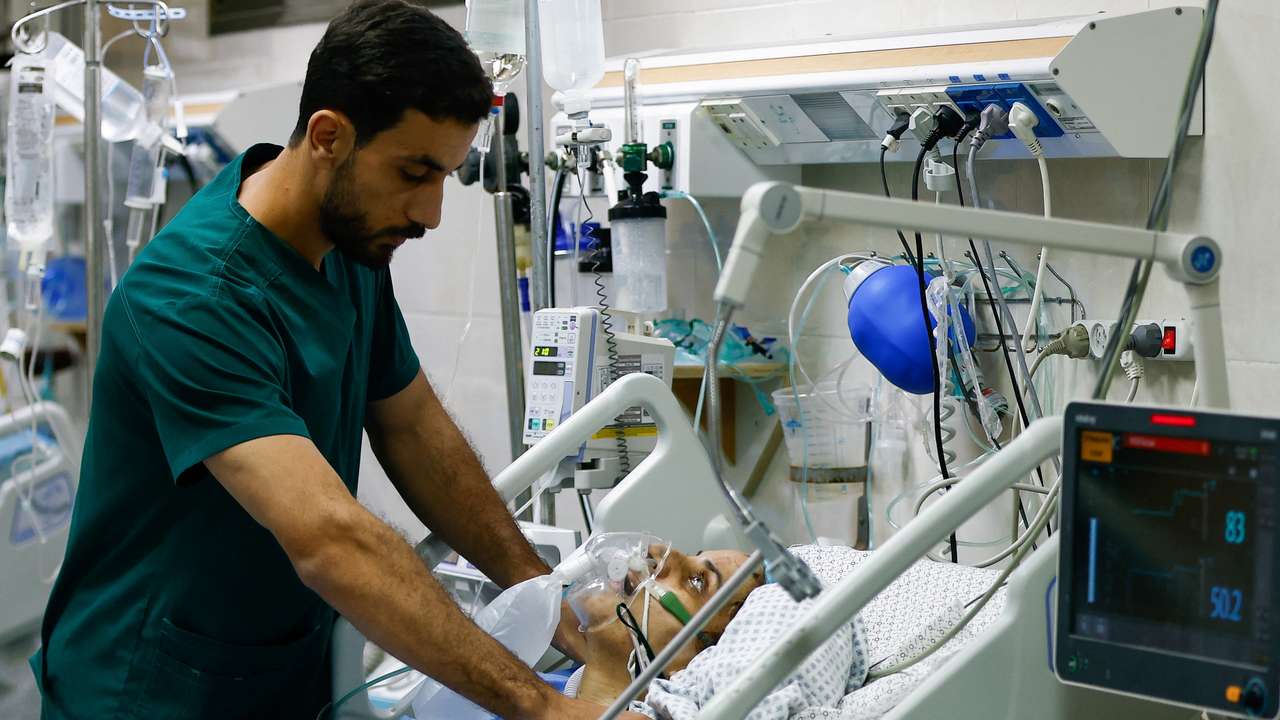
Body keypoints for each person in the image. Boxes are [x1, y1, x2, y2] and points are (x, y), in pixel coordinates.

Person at [30, 2, 643, 718]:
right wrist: (542, 707)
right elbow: (329, 538)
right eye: (414, 172)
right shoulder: (192, 297)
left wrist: (539, 590)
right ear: (328, 137)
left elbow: (412, 426)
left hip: (269, 669)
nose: (431, 212)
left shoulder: (346, 248)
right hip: (146, 689)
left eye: (445, 175)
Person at [568, 547, 763, 706]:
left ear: (690, 665)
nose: (657, 551)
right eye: (691, 553)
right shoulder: (556, 682)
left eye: (697, 581)